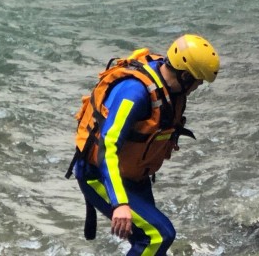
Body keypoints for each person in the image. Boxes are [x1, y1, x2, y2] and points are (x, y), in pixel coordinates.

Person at [66, 34, 220, 255]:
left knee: (149, 239)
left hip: (133, 177)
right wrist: (119, 203)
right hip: (99, 175)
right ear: (185, 76)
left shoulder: (169, 87)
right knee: (158, 236)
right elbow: (107, 146)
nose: (198, 86)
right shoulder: (135, 94)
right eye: (198, 81)